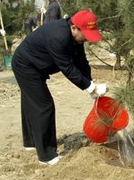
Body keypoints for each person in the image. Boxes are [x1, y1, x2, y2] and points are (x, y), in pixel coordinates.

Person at [12, 10, 108, 165]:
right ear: (74, 28)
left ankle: (31, 143)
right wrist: (90, 87)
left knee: (31, 101)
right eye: (86, 34)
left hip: (36, 65)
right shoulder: (59, 36)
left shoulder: (76, 38)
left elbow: (81, 61)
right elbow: (68, 68)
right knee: (44, 106)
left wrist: (90, 83)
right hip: (26, 66)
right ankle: (47, 156)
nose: (87, 39)